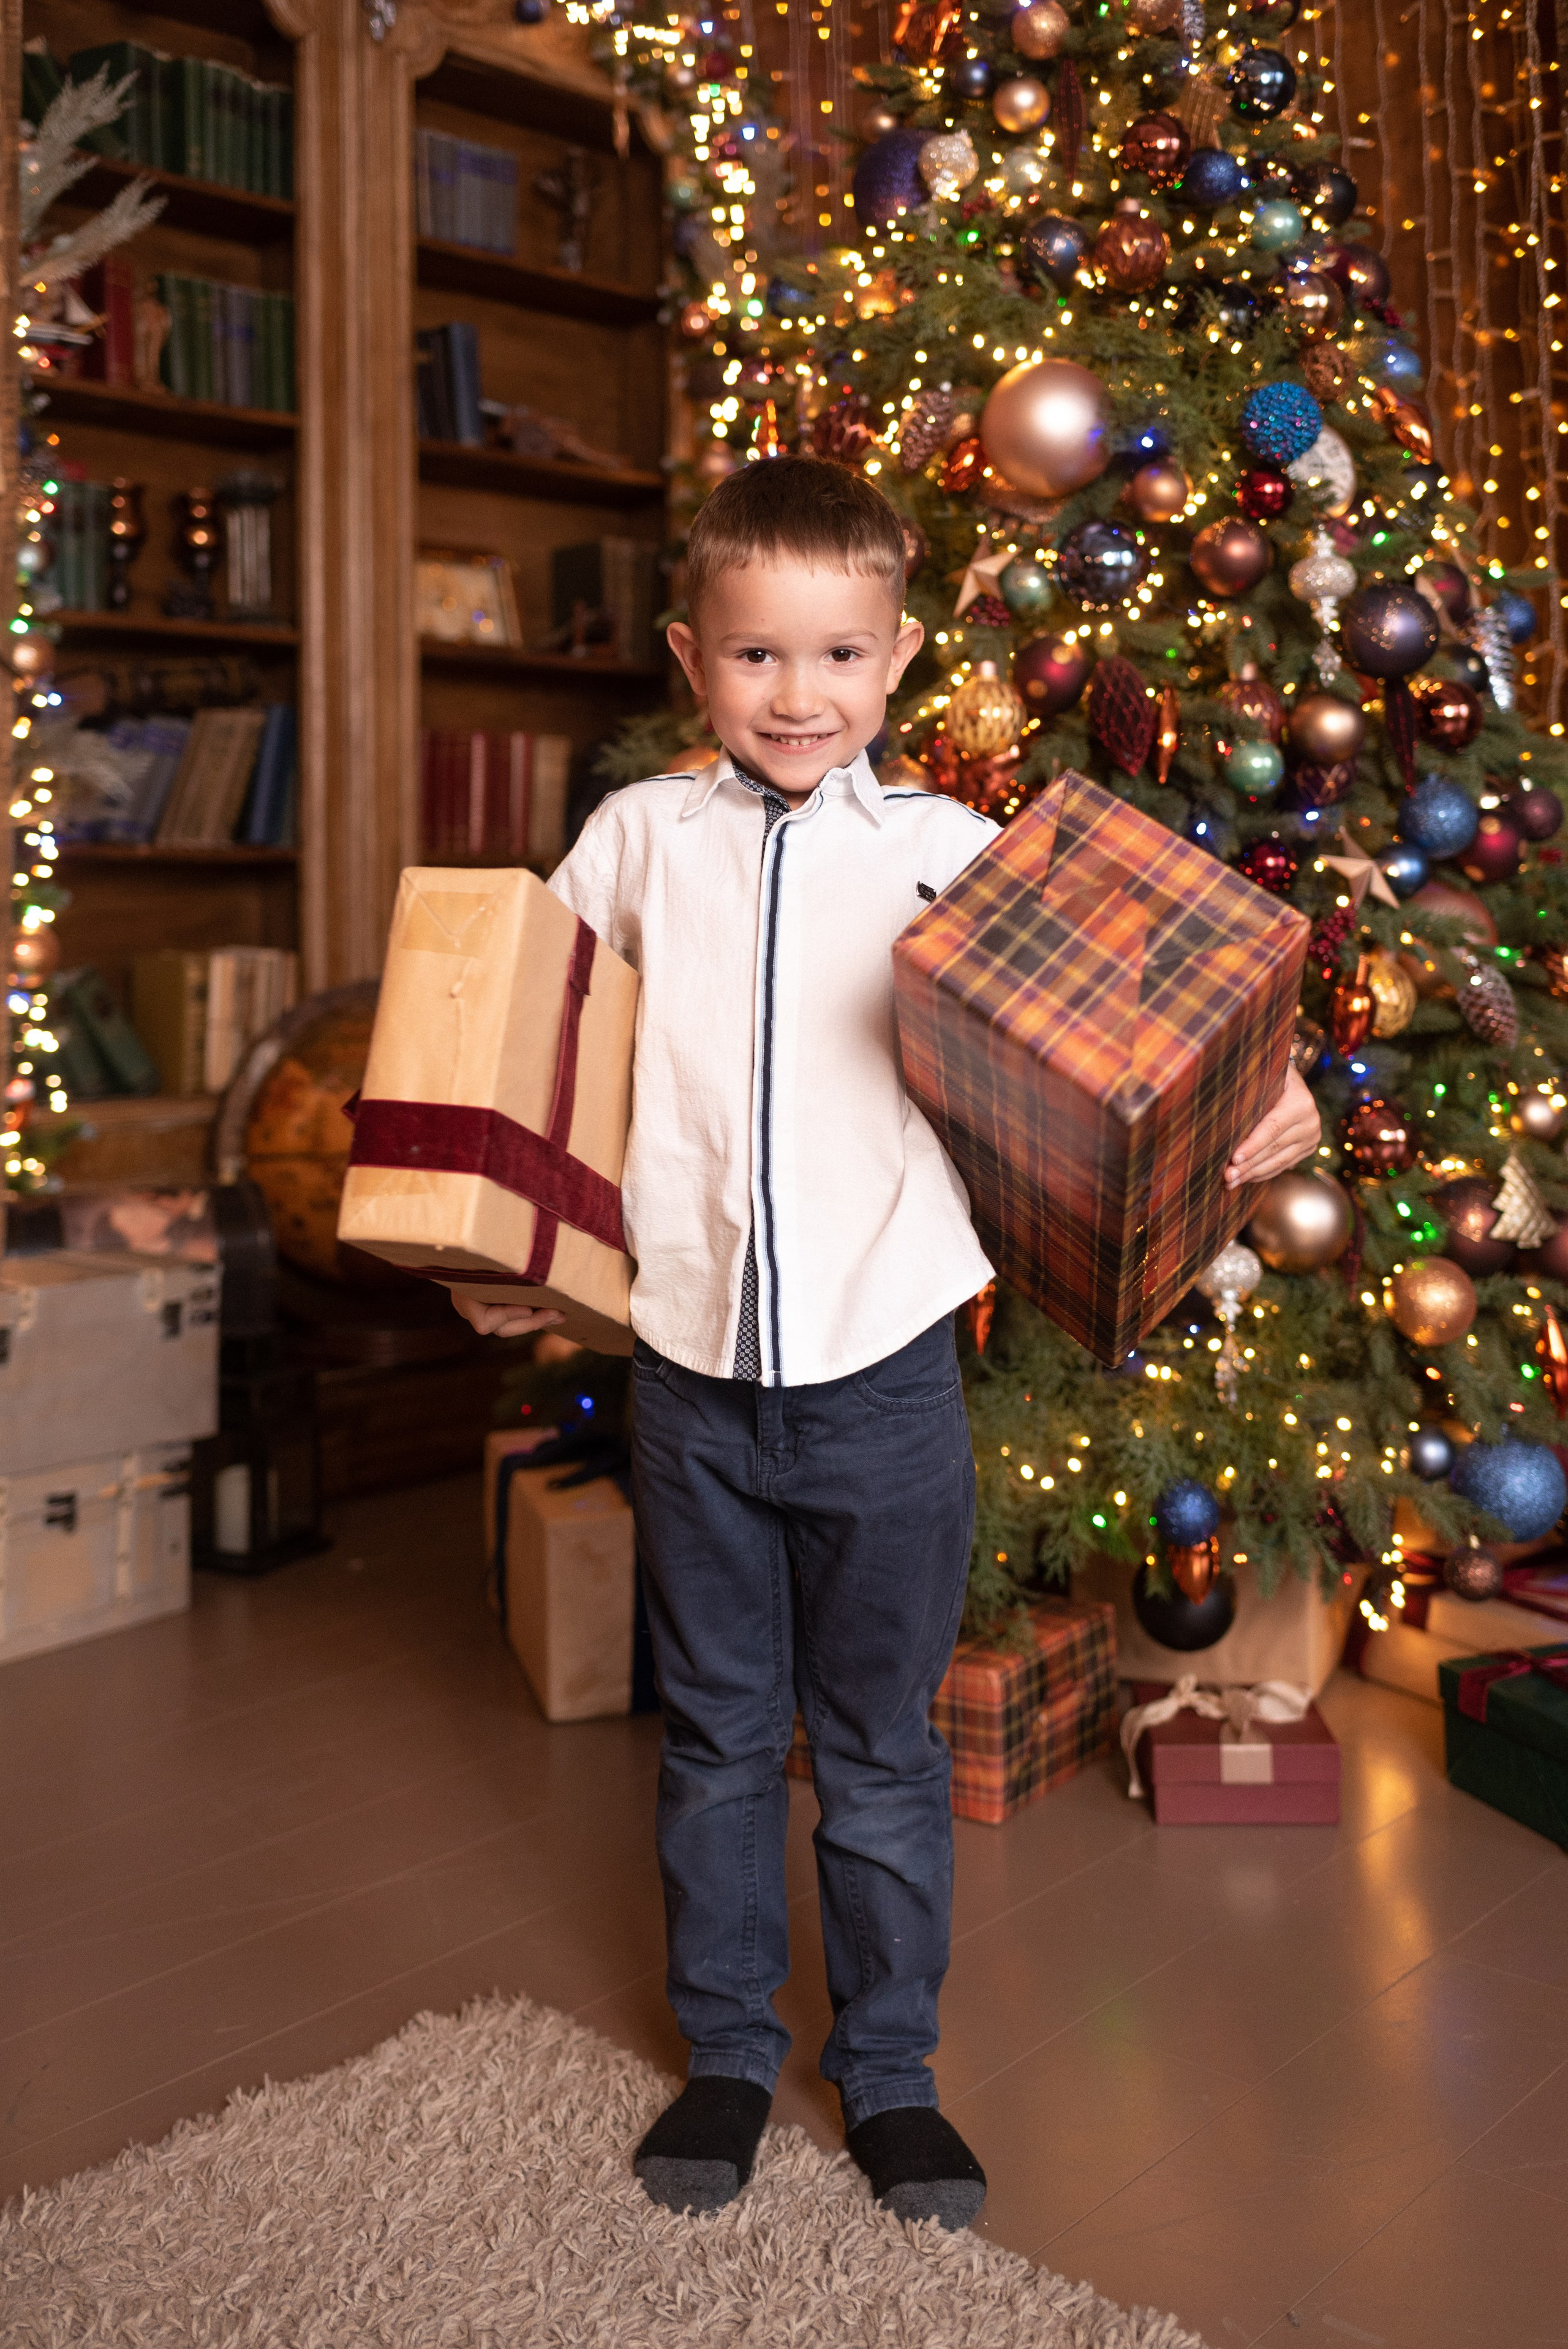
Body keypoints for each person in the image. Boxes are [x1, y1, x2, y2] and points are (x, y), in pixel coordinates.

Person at [454, 455, 1321, 2230]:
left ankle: (895, 2072)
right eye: (760, 656)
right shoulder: (637, 842)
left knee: (877, 1749)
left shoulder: (943, 854)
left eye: (840, 656)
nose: (798, 695)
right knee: (710, 1736)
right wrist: (492, 1243)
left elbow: (1146, 998)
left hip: (888, 1391)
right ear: (697, 658)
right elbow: (517, 1045)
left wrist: (1278, 1092)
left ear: (899, 659)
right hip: (693, 1384)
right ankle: (719, 2047)